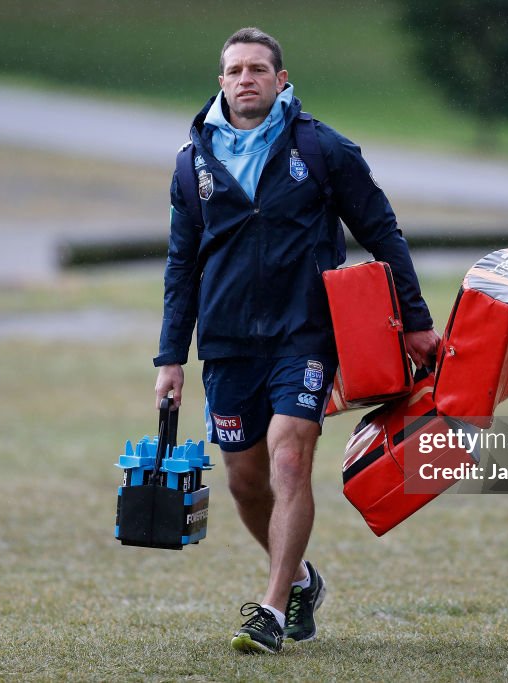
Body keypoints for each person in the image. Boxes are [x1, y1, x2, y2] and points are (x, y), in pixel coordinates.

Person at [154, 27, 439, 654]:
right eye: (234, 70)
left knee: (289, 459)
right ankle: (304, 581)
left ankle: (273, 609)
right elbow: (181, 265)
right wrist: (171, 356)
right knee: (245, 481)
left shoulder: (324, 148)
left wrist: (415, 319)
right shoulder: (191, 162)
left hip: (304, 335)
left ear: (282, 81)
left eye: (259, 68)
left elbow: (383, 233)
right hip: (226, 341)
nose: (246, 78)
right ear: (221, 82)